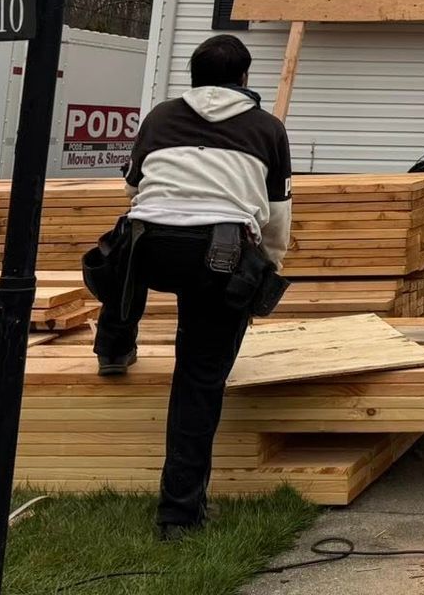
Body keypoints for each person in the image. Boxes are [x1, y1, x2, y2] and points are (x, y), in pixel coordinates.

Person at [90, 34, 292, 541]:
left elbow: (134, 189)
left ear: (193, 76)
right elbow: (276, 220)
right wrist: (263, 271)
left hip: (151, 247)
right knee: (199, 378)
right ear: (244, 80)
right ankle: (179, 516)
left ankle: (114, 347)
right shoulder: (268, 128)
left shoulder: (160, 117)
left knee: (125, 255)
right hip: (220, 257)